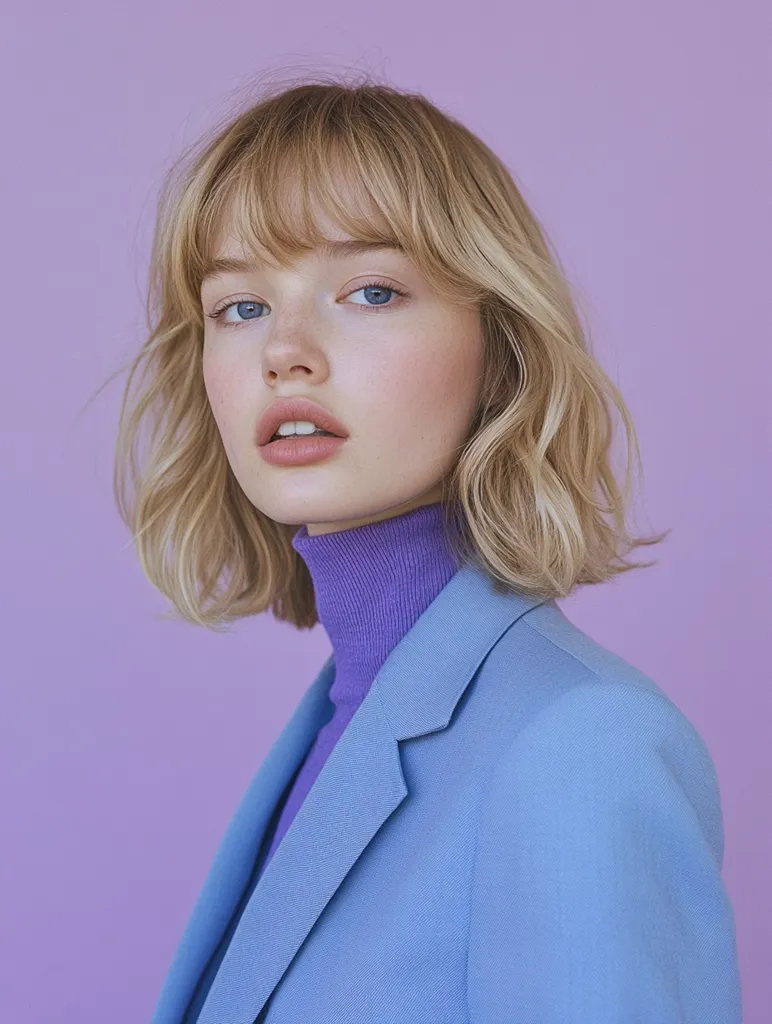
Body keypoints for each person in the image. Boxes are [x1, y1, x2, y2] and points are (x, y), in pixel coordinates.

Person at [110, 72, 741, 1022]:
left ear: (501, 352)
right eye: (240, 307)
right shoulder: (339, 720)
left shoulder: (581, 750)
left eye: (369, 290)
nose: (286, 349)